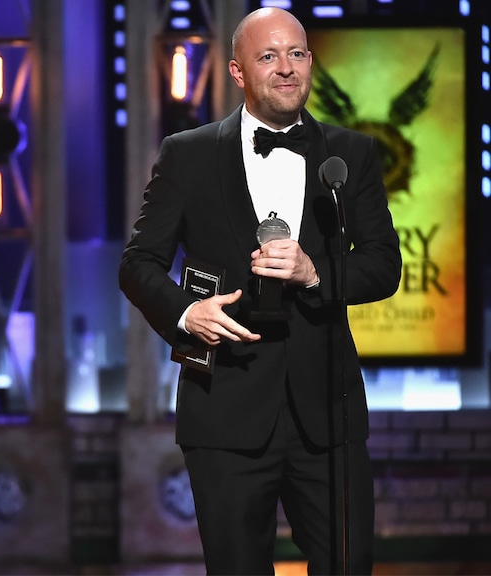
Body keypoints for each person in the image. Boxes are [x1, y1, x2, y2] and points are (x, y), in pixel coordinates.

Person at [119, 7, 401, 575]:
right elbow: (139, 265)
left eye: (297, 54)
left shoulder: (351, 156)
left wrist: (313, 273)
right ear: (238, 72)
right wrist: (186, 312)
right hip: (224, 406)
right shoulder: (188, 154)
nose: (286, 68)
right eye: (268, 56)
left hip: (328, 414)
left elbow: (383, 267)